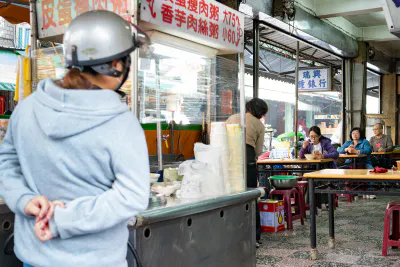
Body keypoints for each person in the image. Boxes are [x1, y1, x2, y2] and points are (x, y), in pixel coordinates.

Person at [0, 11, 151, 267]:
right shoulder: (122, 124)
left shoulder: (26, 109)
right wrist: (61, 219)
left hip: (33, 256)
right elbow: (133, 196)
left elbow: (6, 163)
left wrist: (24, 199)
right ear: (115, 65)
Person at [227, 97, 268, 248]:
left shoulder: (233, 118)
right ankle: (254, 237)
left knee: (231, 195)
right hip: (247, 158)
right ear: (260, 112)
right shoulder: (259, 124)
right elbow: (258, 150)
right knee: (251, 196)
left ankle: (231, 233)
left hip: (229, 159)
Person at [299, 126, 339, 215]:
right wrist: (303, 147)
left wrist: (324, 156)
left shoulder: (325, 143)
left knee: (319, 182)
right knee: (308, 181)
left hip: (325, 168)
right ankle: (312, 205)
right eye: (310, 136)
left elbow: (336, 154)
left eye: (314, 136)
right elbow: (301, 156)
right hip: (312, 168)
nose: (312, 138)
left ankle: (319, 205)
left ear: (319, 136)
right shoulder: (308, 144)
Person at [337, 128, 375, 199]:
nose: (354, 135)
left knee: (371, 171)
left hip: (364, 162)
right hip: (350, 163)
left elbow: (368, 150)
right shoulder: (348, 143)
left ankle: (369, 191)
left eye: (357, 133)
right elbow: (338, 150)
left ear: (360, 134)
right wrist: (346, 149)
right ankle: (347, 190)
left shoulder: (364, 142)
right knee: (339, 171)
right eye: (353, 133)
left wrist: (356, 151)